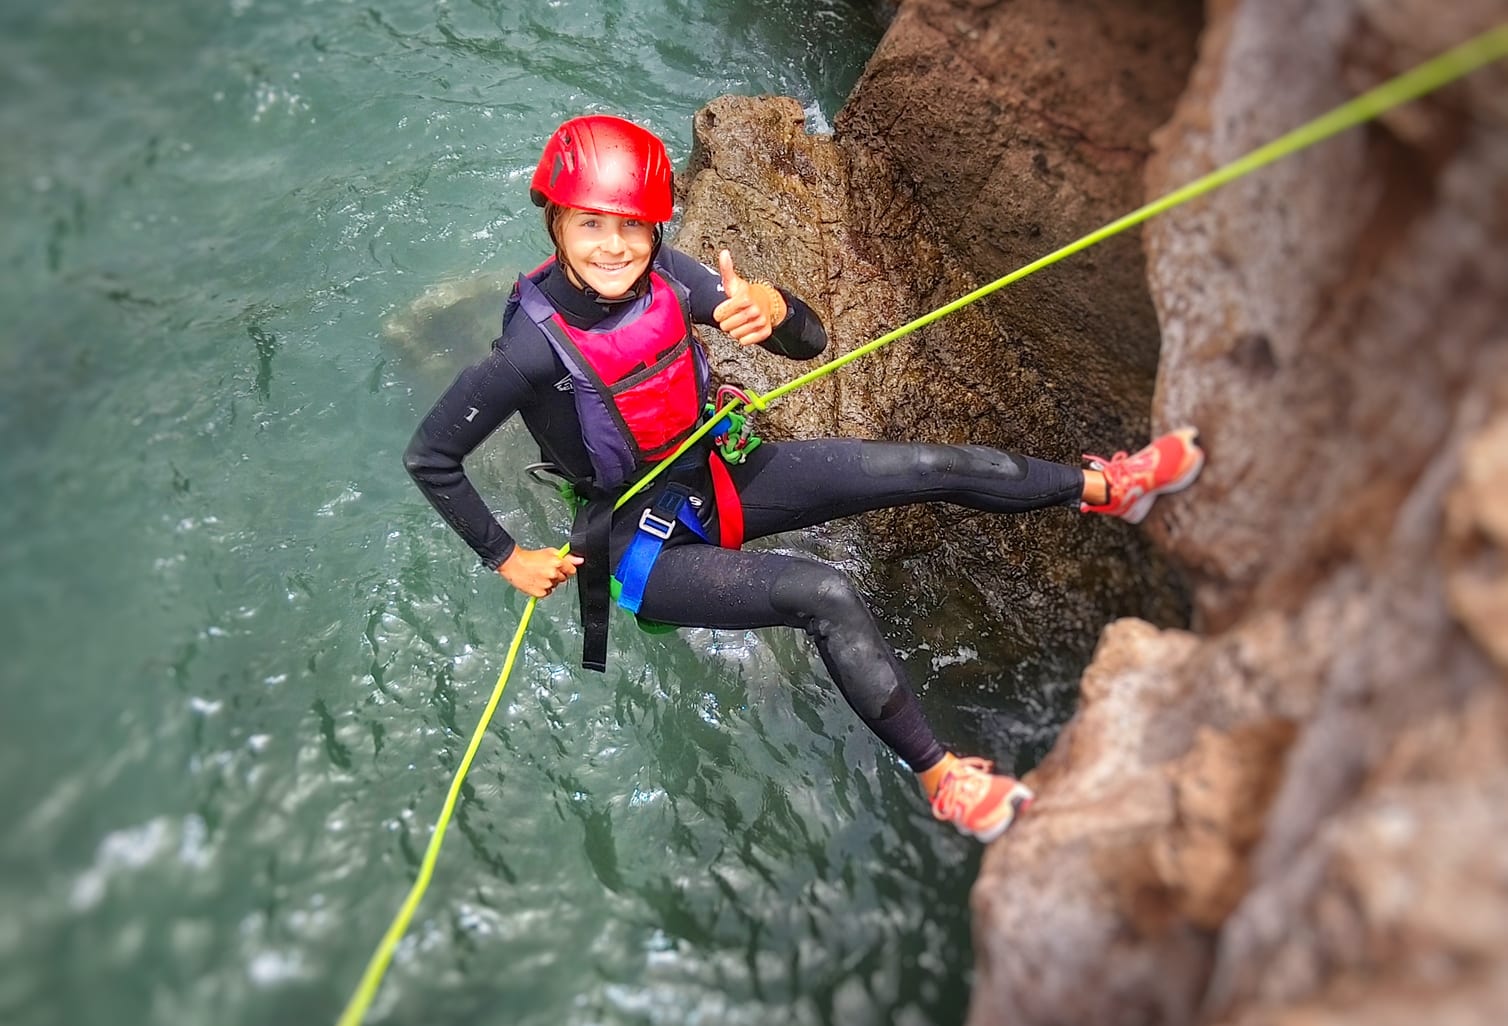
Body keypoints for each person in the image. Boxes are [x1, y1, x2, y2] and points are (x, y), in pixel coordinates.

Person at [404, 114, 1205, 843]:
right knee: (823, 593)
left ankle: (1109, 488)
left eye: (631, 228)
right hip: (642, 545)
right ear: (556, 222)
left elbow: (810, 342)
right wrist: (509, 558)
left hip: (718, 467)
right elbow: (432, 456)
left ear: (656, 229)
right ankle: (943, 777)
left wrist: (771, 306)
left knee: (932, 463)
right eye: (590, 225)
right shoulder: (531, 350)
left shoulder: (672, 277)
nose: (613, 247)